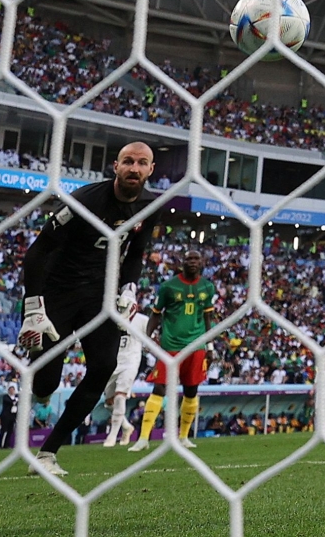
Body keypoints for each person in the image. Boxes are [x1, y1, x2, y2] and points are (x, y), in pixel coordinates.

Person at [17, 142, 158, 476]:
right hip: (59, 290)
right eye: (128, 162)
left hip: (101, 295)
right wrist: (33, 308)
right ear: (115, 166)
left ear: (151, 170)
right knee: (46, 381)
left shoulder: (152, 205)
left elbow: (136, 252)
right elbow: (36, 254)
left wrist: (129, 287)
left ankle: (48, 453)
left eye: (142, 163)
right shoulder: (83, 201)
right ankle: (42, 388)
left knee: (104, 365)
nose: (134, 169)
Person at [129, 249, 216, 452]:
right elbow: (156, 314)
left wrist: (210, 346)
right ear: (182, 262)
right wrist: (147, 339)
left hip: (196, 346)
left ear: (201, 262)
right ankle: (143, 438)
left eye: (196, 258)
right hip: (170, 346)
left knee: (191, 390)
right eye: (189, 259)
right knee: (159, 388)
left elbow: (208, 319)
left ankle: (184, 437)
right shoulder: (168, 287)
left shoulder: (208, 287)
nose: (192, 262)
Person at [102, 308, 149, 447]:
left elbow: (152, 336)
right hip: (114, 361)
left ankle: (112, 436)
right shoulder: (111, 317)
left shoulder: (141, 320)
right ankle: (126, 427)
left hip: (131, 361)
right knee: (109, 403)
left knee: (120, 396)